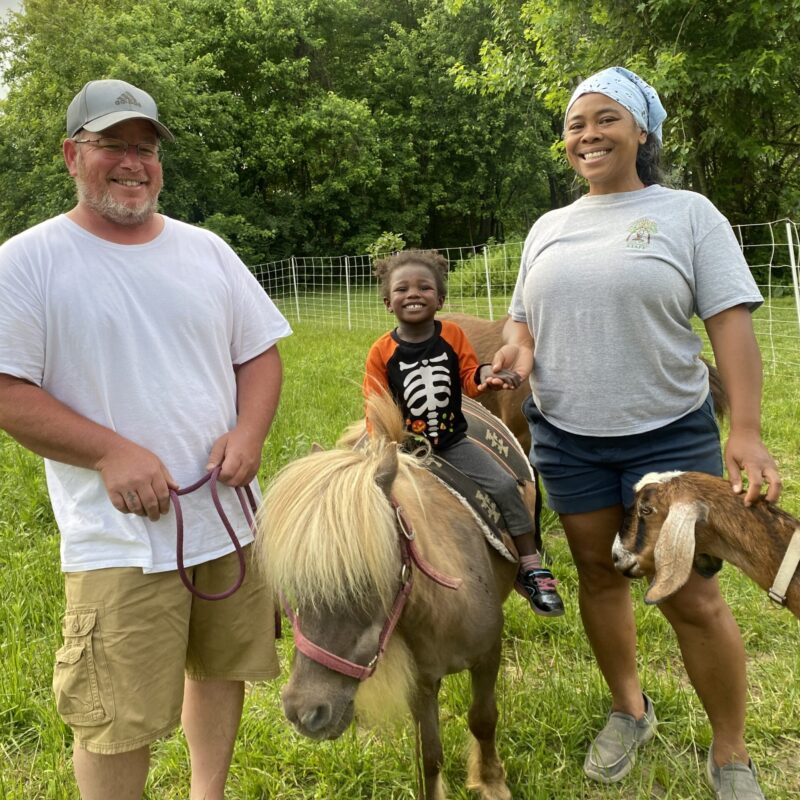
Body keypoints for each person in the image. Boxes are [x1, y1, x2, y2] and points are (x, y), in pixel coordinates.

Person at [490, 67, 782, 799]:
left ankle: (731, 752)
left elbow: (730, 324)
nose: (587, 134)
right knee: (598, 574)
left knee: (688, 593)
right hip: (568, 436)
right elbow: (524, 324)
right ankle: (630, 709)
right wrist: (514, 357)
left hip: (670, 437)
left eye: (606, 118)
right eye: (574, 124)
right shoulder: (547, 228)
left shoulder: (688, 213)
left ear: (642, 130)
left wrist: (744, 429)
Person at [0, 79, 291, 800]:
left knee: (220, 668)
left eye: (146, 148)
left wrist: (249, 432)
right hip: (122, 537)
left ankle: (207, 794)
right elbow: (7, 389)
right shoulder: (27, 262)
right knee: (113, 715)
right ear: (73, 155)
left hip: (225, 518)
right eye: (112, 146)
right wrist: (109, 451)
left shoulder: (206, 250)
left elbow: (258, 353)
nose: (133, 163)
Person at [364, 249, 564, 616]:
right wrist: (379, 443)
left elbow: (468, 379)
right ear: (387, 301)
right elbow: (375, 401)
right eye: (402, 288)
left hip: (451, 442)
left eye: (424, 287)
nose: (413, 294)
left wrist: (486, 376)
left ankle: (530, 564)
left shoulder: (452, 336)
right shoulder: (382, 351)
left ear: (440, 299)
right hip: (407, 447)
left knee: (506, 487)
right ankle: (370, 570)